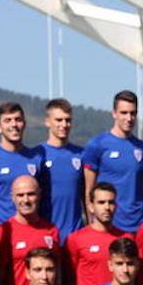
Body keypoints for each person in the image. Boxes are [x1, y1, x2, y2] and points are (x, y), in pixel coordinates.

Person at [82, 90, 143, 234]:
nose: (129, 118)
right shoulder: (97, 145)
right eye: (124, 113)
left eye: (133, 113)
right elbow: (89, 190)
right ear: (114, 113)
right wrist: (92, 224)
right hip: (109, 225)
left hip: (138, 226)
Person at [0, 102, 45, 224]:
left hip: (27, 231)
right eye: (8, 120)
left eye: (18, 120)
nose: (14, 124)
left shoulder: (36, 159)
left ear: (24, 124)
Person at [63, 182, 131, 285]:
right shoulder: (76, 239)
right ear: (91, 207)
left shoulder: (126, 238)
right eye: (101, 202)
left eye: (110, 202)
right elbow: (69, 277)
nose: (107, 207)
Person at [36, 98, 86, 240]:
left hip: (75, 235)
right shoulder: (37, 155)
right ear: (47, 122)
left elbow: (87, 195)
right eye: (59, 120)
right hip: (47, 234)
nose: (64, 125)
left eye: (67, 120)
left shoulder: (81, 155)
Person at [4, 175, 60, 285]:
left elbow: (57, 268)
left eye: (31, 194)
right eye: (20, 195)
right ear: (12, 198)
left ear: (39, 195)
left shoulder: (51, 230)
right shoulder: (5, 231)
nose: (26, 200)